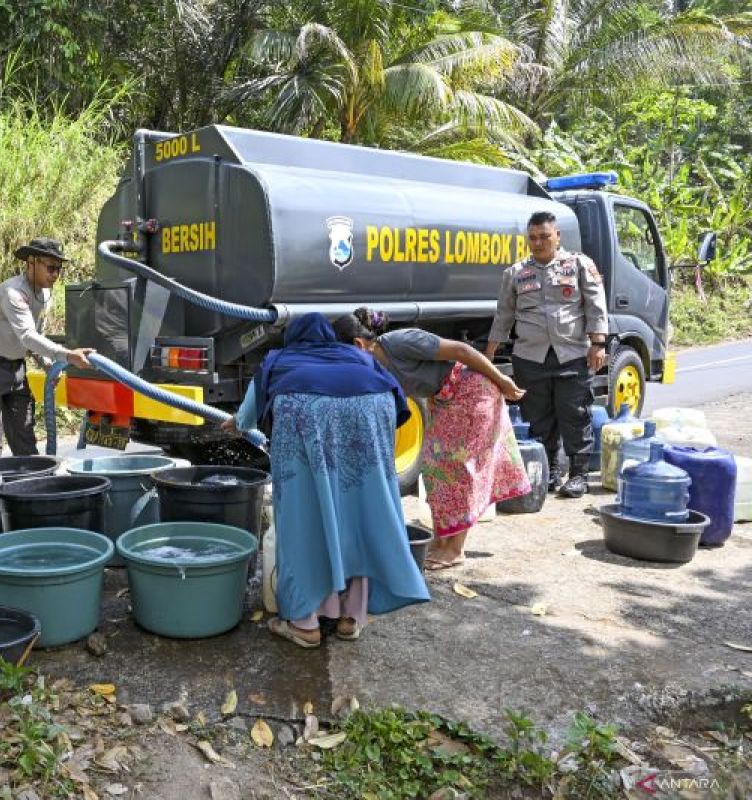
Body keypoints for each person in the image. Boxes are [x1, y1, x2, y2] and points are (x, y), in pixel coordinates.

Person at [222, 313, 429, 648]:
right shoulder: (359, 357)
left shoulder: (280, 358)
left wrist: (235, 424)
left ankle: (305, 624)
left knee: (303, 517)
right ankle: (350, 617)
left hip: (304, 411)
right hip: (372, 410)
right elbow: (398, 402)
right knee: (359, 515)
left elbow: (247, 416)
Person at [335, 309, 532, 571]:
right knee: (434, 469)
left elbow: (461, 351)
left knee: (460, 469)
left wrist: (502, 380)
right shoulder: (372, 366)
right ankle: (442, 542)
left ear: (358, 345)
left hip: (472, 391)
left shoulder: (399, 342)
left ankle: (455, 549)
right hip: (443, 399)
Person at [486, 211, 608, 499]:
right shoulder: (515, 273)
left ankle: (578, 475)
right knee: (537, 417)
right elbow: (503, 315)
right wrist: (488, 354)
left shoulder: (579, 264)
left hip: (572, 353)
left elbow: (595, 304)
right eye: (533, 238)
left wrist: (598, 343)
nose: (538, 243)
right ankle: (550, 470)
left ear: (557, 236)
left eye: (544, 236)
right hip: (530, 356)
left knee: (575, 414)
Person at [0, 237, 95, 459]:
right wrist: (67, 356)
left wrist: (45, 364)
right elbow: (26, 335)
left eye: (58, 269)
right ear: (31, 263)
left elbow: (36, 335)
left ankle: (28, 489)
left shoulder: (44, 295)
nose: (55, 274)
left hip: (15, 368)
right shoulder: (13, 293)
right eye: (50, 267)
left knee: (25, 440)